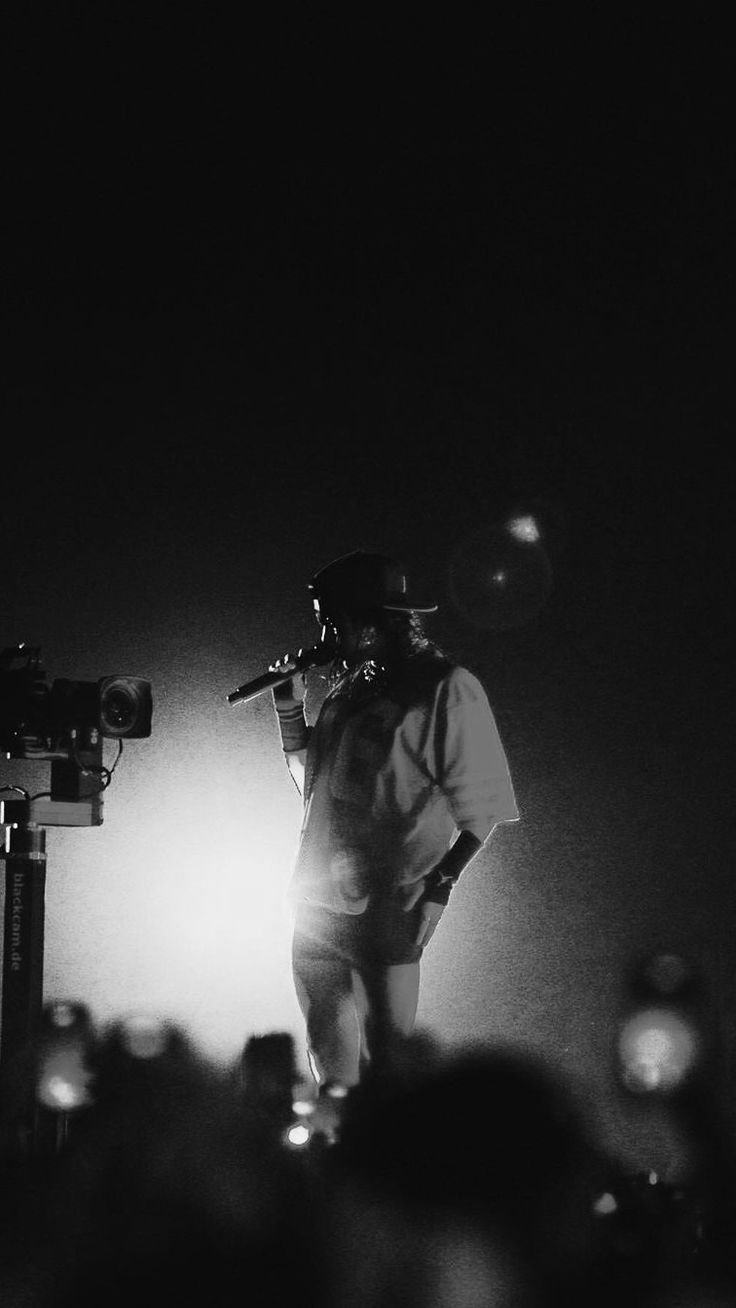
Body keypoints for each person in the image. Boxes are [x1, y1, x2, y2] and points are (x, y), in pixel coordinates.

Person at [270, 549, 519, 1091]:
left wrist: (441, 886)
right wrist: (290, 709)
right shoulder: (352, 685)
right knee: (329, 1064)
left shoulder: (446, 687)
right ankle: (333, 1153)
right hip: (316, 900)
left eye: (332, 617)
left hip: (387, 903)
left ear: (371, 617)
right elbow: (313, 786)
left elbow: (483, 807)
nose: (325, 630)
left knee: (383, 1072)